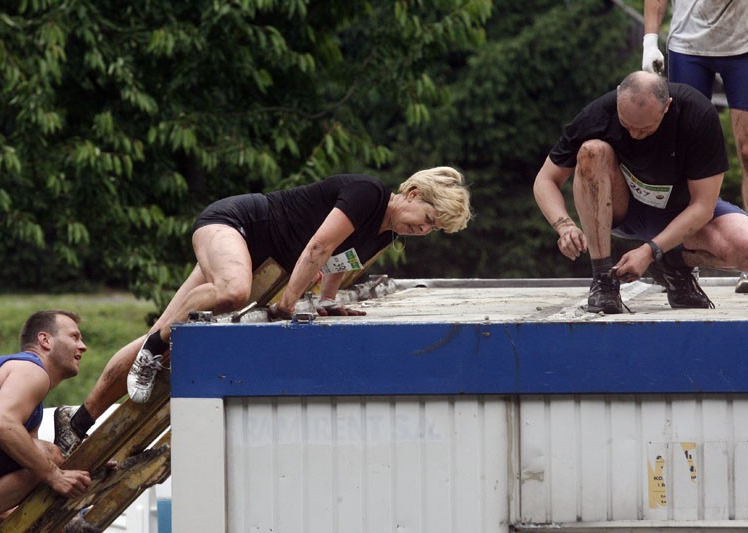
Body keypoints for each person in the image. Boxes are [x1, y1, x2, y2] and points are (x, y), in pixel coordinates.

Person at [54, 168, 472, 454]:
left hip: (251, 252)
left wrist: (326, 303)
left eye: (433, 230)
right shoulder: (369, 194)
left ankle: (76, 422)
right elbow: (318, 247)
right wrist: (289, 303)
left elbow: (334, 268)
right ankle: (153, 348)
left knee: (171, 319)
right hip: (237, 223)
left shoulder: (383, 237)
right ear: (413, 194)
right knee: (232, 292)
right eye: (428, 218)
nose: (423, 230)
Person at [533, 70, 748, 314]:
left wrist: (651, 251)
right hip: (624, 209)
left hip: (683, 214)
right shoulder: (598, 114)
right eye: (627, 125)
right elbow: (545, 180)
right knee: (592, 151)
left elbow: (703, 206)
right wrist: (564, 225)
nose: (634, 135)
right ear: (619, 95)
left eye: (645, 129)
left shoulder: (697, 114)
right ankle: (603, 278)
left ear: (667, 107)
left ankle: (673, 261)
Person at [643, 0, 748, 293]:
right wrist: (650, 40)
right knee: (684, 153)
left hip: (747, 42)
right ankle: (681, 258)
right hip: (689, 44)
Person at [0, 310, 92, 532]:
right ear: (45, 340)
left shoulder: (32, 412)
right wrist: (54, 475)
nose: (83, 346)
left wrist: (89, 464)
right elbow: (0, 425)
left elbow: (25, 475)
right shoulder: (30, 369)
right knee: (45, 457)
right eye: (74, 337)